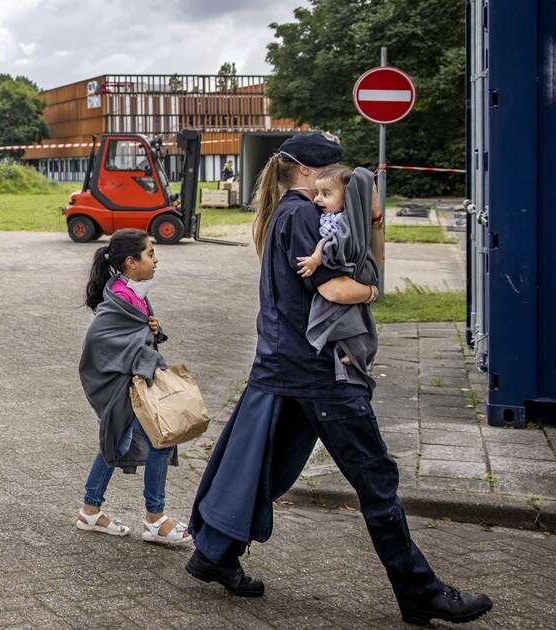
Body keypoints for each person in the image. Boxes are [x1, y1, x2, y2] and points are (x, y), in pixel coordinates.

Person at [185, 132, 493, 626]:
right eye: (333, 172)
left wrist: (372, 220)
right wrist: (371, 292)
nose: (340, 180)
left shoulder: (288, 213)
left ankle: (214, 553)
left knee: (263, 466)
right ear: (308, 174)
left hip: (283, 365)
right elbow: (341, 287)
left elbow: (366, 262)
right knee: (375, 479)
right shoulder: (306, 216)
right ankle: (420, 592)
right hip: (320, 371)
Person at [75, 228, 193, 546]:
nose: (156, 260)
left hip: (133, 385)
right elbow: (101, 342)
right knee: (160, 442)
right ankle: (155, 519)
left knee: (117, 442)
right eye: (150, 254)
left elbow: (135, 335)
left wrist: (152, 329)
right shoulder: (120, 300)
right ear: (131, 262)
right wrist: (143, 343)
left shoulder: (130, 292)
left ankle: (90, 510)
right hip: (122, 388)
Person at [295, 165, 379, 390]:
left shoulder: (345, 223)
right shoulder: (333, 217)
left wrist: (315, 259)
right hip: (354, 278)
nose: (318, 200)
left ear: (347, 197)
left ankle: (355, 352)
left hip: (353, 273)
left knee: (347, 315)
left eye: (326, 194)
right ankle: (352, 351)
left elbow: (331, 244)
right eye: (317, 194)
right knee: (350, 315)